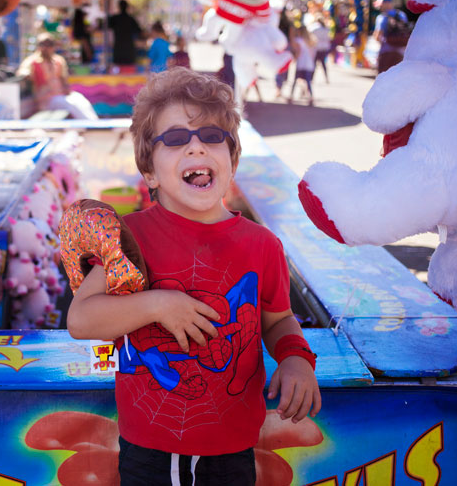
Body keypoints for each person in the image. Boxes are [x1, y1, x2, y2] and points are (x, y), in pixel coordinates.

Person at [67, 67, 321, 485]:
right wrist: (156, 304)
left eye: (212, 136)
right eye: (175, 140)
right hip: (148, 446)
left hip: (234, 446)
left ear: (232, 159)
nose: (196, 147)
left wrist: (295, 359)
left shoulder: (263, 246)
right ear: (149, 172)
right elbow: (81, 319)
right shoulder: (130, 238)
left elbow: (278, 319)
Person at [17, 32, 98, 120]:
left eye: (49, 44)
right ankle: (90, 124)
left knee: (80, 99)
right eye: (43, 44)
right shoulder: (32, 61)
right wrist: (25, 74)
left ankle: (94, 123)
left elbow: (63, 78)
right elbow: (23, 71)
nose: (46, 47)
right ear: (38, 46)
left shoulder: (58, 60)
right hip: (46, 99)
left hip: (61, 95)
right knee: (70, 104)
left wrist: (66, 89)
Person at [372, 0, 409, 74]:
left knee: (382, 80)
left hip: (385, 53)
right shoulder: (402, 15)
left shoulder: (382, 17)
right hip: (400, 53)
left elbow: (377, 36)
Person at [108, 0, 142, 66]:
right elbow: (139, 31)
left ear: (119, 7)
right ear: (127, 7)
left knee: (118, 71)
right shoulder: (131, 19)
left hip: (118, 49)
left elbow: (106, 26)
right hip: (129, 49)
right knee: (129, 72)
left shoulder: (114, 18)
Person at [290, 24, 316, 106]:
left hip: (301, 62)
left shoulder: (299, 40)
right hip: (309, 63)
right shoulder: (310, 40)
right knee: (308, 81)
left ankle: (291, 96)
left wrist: (294, 59)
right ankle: (311, 97)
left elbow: (298, 51)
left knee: (295, 79)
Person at [309, 15, 332, 83]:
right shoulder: (326, 28)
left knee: (314, 64)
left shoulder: (314, 27)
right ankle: (326, 78)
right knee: (323, 64)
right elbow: (329, 38)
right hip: (324, 48)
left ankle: (311, 78)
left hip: (316, 48)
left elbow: (309, 34)